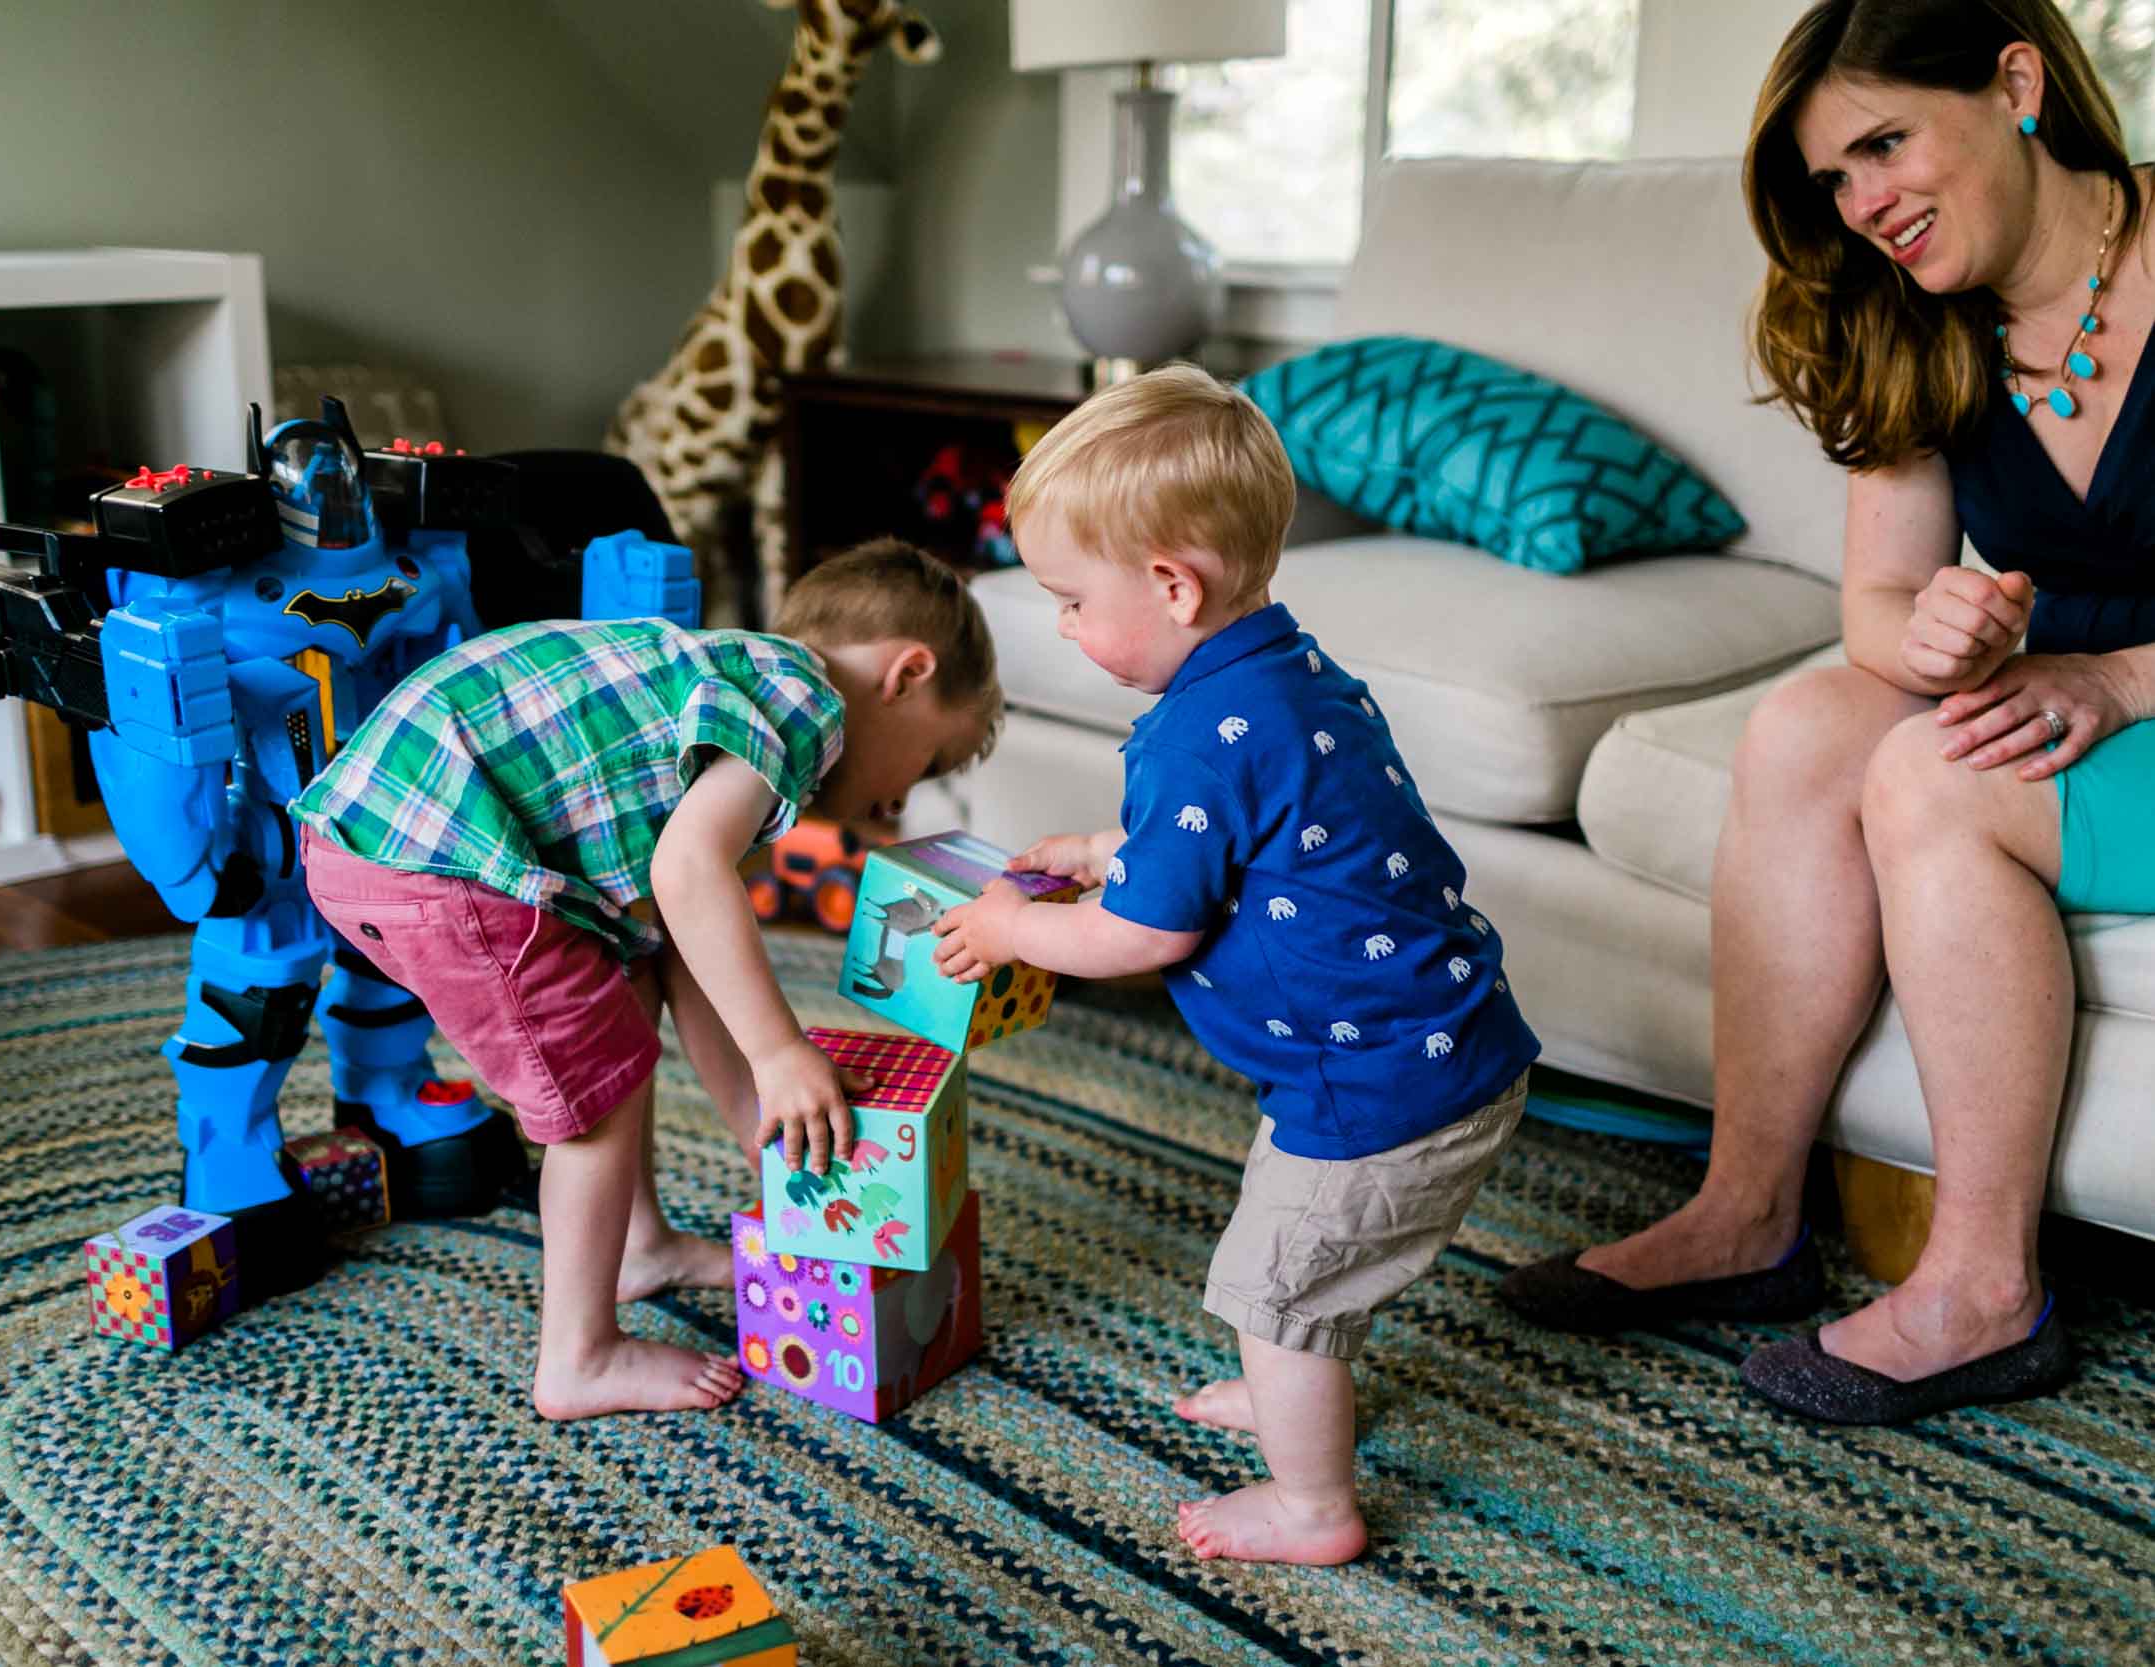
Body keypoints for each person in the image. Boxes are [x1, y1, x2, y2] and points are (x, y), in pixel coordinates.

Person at [1499, 0, 2155, 1424]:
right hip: (2066, 688)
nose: (1866, 208)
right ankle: (1748, 1210)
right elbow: (1879, 593)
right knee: (1808, 724)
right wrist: (1927, 632)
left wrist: (2115, 678)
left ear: (2018, 81)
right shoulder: (1909, 312)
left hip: (2135, 690)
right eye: (1836, 182)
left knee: (1932, 776)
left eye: (1885, 145)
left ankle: (1986, 1288)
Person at [932, 365, 1540, 1566]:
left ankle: (1313, 1501)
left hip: (1364, 1085)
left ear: (1170, 584)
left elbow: (1144, 935)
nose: (1057, 623)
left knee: (1275, 1288)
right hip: (1419, 1046)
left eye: (1067, 598)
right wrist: (1115, 849)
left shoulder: (1195, 737)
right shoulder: (1290, 679)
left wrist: (1008, 930)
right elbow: (1268, 841)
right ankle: (1292, 1388)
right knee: (1307, 1253)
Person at [290, 541, 1001, 1420]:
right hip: (439, 851)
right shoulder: (806, 702)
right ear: (907, 673)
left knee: (625, 996)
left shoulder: (726, 695)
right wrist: (781, 1049)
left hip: (383, 836)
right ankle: (578, 1357)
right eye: (928, 763)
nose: (897, 803)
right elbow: (689, 876)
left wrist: (757, 1120)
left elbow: (682, 951)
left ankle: (641, 1247)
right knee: (595, 1089)